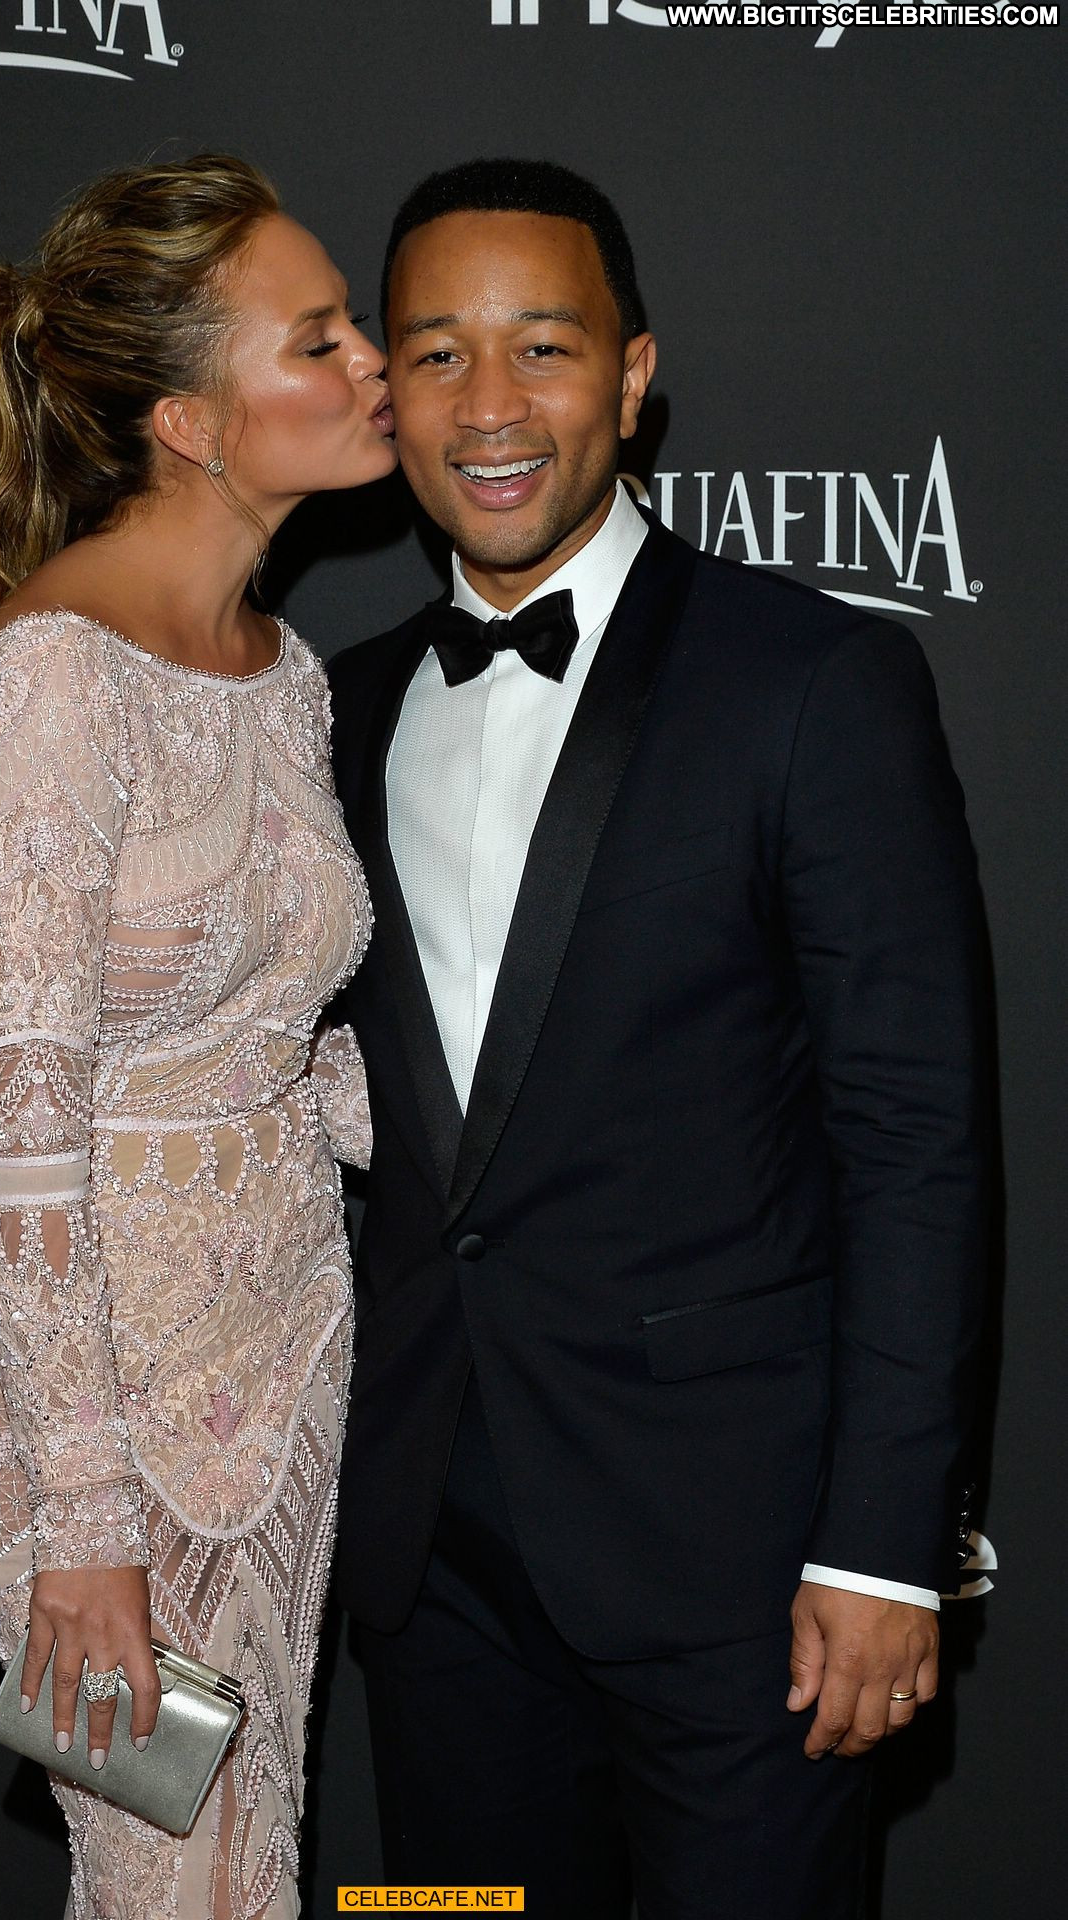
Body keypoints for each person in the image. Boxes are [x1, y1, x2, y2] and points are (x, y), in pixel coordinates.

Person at [325, 158, 989, 1919]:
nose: (488, 405)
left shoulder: (812, 680)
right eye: (438, 353)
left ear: (630, 377)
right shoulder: (335, 712)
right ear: (388, 389)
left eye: (542, 348)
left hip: (746, 1575)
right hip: (430, 1570)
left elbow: (915, 1142)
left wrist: (885, 1552)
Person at [0, 153, 394, 1920]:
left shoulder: (286, 669)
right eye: (317, 340)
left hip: (280, 1331)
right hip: (70, 1383)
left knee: (257, 1854)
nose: (373, 362)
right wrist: (83, 1526)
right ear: (189, 422)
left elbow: (266, 1023)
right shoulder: (56, 673)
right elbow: (17, 1122)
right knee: (175, 1876)